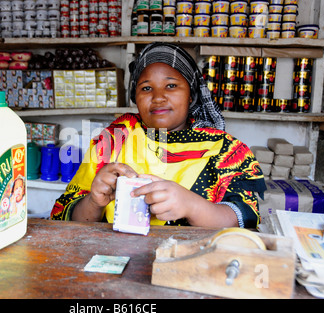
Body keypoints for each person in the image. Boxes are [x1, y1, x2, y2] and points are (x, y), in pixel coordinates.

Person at [51, 42, 266, 229]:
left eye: (171, 86)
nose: (158, 97)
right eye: (146, 88)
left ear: (191, 95)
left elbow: (243, 219)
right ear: (135, 97)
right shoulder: (114, 140)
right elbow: (69, 220)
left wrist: (191, 205)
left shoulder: (225, 151)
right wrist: (94, 202)